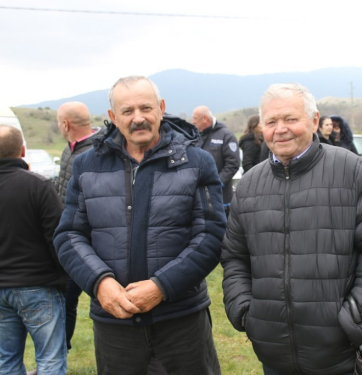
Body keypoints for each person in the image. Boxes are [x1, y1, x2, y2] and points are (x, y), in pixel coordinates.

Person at [221, 83, 362, 375]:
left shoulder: (351, 171)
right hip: (275, 357)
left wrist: (355, 319)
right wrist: (245, 312)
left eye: (291, 119)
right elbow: (234, 257)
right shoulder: (250, 185)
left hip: (345, 357)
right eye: (271, 122)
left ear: (315, 120)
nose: (280, 129)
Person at [54, 76, 225, 375]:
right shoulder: (87, 165)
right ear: (112, 117)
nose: (138, 118)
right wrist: (100, 282)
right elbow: (69, 236)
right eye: (127, 111)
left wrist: (162, 286)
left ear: (160, 108)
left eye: (146, 108)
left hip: (181, 321)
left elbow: (211, 234)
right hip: (114, 324)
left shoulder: (196, 162)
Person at [0, 124, 67, 374]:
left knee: (6, 358)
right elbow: (57, 236)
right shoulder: (38, 185)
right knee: (49, 358)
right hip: (38, 285)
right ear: (23, 150)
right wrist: (65, 273)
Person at [55, 101, 104, 352]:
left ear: (65, 124)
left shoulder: (98, 154)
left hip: (96, 243)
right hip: (71, 241)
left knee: (104, 302)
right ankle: (59, 354)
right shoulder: (67, 151)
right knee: (66, 300)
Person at [192, 105, 240, 216]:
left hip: (221, 199)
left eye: (195, 118)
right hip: (198, 198)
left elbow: (233, 163)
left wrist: (216, 183)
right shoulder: (196, 136)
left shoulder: (226, 135)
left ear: (205, 119)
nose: (192, 121)